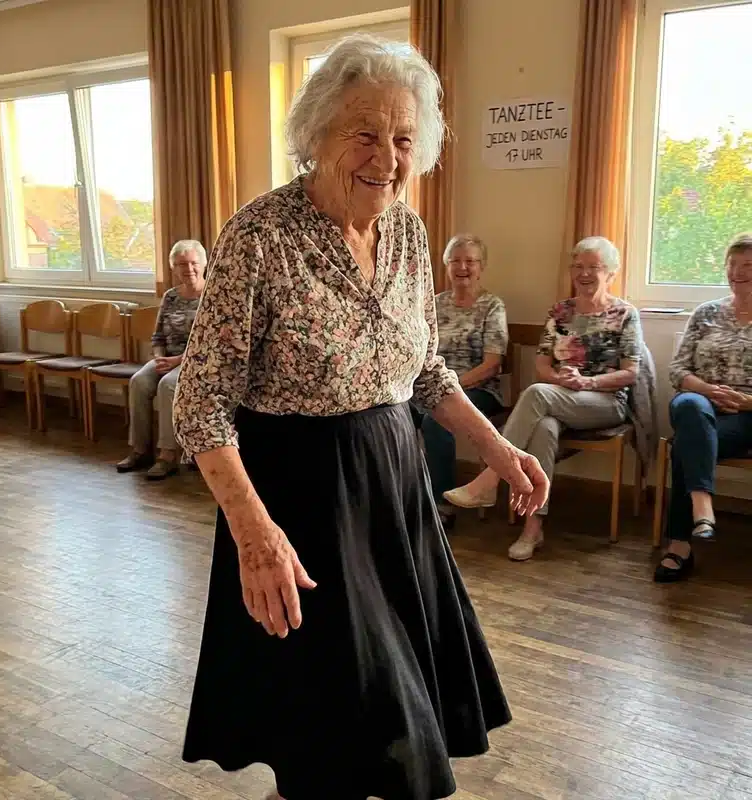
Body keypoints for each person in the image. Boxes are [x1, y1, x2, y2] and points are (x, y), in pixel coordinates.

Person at [172, 35, 548, 800]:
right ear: (316, 135)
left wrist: (498, 449)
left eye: (404, 138)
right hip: (298, 500)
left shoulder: (409, 232)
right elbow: (201, 402)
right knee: (324, 724)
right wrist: (255, 535)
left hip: (393, 487)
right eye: (364, 133)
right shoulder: (260, 236)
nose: (387, 157)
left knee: (390, 702)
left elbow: (425, 372)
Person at [445, 236, 642, 561]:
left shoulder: (625, 313)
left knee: (537, 394)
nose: (584, 274)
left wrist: (588, 381)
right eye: (578, 266)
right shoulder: (560, 312)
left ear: (611, 272)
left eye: (593, 267)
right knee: (544, 428)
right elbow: (542, 365)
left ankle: (492, 476)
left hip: (605, 402)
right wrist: (560, 379)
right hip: (560, 398)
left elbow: (631, 372)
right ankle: (532, 528)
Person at [655, 233, 752, 583]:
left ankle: (680, 544)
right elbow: (678, 370)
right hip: (700, 403)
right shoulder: (706, 313)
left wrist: (747, 401)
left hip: (747, 415)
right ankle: (702, 505)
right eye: (732, 265)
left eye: (748, 266)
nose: (737, 272)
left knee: (687, 444)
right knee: (690, 408)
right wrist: (708, 390)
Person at [418, 233, 507, 529]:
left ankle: (441, 504)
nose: (463, 267)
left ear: (481, 267)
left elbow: (492, 364)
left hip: (478, 389)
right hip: (430, 387)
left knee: (436, 419)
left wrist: (450, 387)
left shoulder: (492, 306)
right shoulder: (435, 304)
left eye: (470, 261)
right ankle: (403, 496)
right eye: (455, 261)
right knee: (391, 415)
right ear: (446, 266)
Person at [116, 240, 206, 480]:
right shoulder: (170, 296)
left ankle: (168, 455)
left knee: (168, 385)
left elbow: (211, 343)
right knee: (139, 381)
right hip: (167, 358)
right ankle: (140, 450)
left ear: (204, 264)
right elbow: (157, 336)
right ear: (173, 268)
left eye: (193, 263)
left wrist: (177, 360)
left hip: (197, 360)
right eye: (181, 264)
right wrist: (158, 358)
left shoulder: (213, 296)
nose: (188, 269)